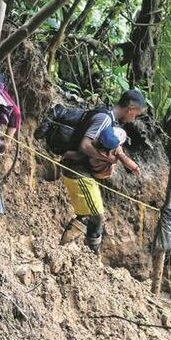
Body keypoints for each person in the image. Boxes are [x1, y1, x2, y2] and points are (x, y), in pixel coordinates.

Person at [56, 90, 145, 252]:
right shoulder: (104, 119)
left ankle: (81, 252)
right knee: (95, 213)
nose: (134, 119)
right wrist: (108, 160)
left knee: (91, 213)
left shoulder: (107, 119)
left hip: (80, 171)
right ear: (131, 109)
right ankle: (79, 251)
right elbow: (84, 146)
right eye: (136, 115)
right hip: (77, 171)